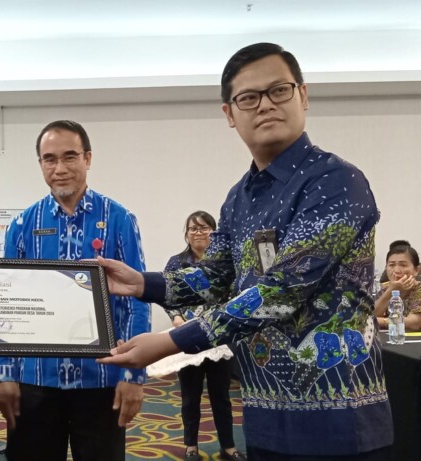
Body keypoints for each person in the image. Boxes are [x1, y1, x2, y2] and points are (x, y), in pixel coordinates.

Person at [96, 43, 392, 460]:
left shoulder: (336, 181)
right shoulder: (239, 197)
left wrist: (171, 341)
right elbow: (215, 276)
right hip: (265, 407)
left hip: (339, 412)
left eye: (279, 90)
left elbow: (282, 290)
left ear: (303, 95)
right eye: (249, 97)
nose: (265, 105)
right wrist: (142, 284)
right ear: (230, 114)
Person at [0, 120, 150, 461]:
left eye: (69, 157)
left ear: (87, 158)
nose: (60, 168)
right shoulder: (22, 225)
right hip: (35, 379)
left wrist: (133, 373)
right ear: (40, 164)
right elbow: (8, 304)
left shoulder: (119, 219)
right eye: (49, 159)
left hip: (101, 378)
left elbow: (137, 301)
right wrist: (5, 373)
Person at [163, 211, 244, 461]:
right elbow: (167, 296)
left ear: (214, 232)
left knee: (221, 396)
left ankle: (228, 446)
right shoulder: (176, 263)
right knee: (190, 396)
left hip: (219, 337)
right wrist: (176, 318)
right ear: (186, 234)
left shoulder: (223, 264)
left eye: (205, 227)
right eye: (193, 228)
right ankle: (191, 447)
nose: (198, 232)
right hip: (188, 337)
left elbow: (235, 293)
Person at [375, 243, 421, 331]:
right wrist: (391, 291)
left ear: (416, 270)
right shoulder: (385, 289)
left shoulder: (419, 289)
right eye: (391, 265)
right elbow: (372, 315)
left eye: (403, 265)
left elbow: (415, 323)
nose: (396, 271)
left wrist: (381, 321)